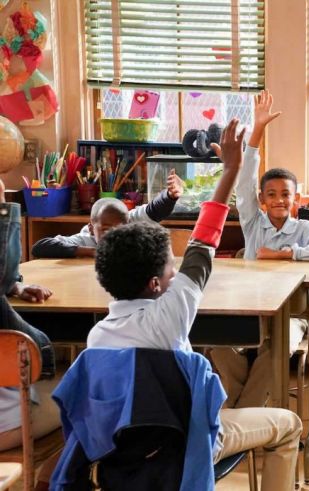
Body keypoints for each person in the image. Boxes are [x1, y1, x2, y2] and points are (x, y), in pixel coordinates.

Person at [85, 119, 302, 491]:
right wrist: (231, 169)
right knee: (288, 425)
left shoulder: (96, 339)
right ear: (156, 283)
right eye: (171, 265)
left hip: (120, 463)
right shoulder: (171, 315)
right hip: (188, 447)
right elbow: (204, 243)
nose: (177, 269)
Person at [209, 90, 309, 409]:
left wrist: (284, 254)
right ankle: (243, 409)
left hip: (290, 316)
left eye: (285, 195)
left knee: (274, 351)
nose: (279, 199)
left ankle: (238, 413)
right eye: (271, 194)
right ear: (262, 200)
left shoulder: (303, 229)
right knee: (216, 342)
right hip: (250, 310)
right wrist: (258, 130)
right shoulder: (252, 223)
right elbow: (245, 180)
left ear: (295, 200)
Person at [0, 177, 61, 491]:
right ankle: (47, 482)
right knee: (83, 393)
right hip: (7, 428)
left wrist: (15, 287)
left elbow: (3, 277)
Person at [30, 170, 184, 258]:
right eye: (105, 230)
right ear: (91, 228)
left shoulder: (130, 221)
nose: (114, 236)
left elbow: (154, 210)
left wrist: (170, 196)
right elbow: (40, 247)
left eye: (120, 230)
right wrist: (93, 252)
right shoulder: (85, 239)